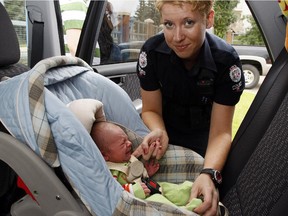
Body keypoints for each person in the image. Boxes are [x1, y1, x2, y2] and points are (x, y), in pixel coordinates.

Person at [136, 0, 245, 215]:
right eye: (168, 24)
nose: (177, 37)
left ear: (209, 19)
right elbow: (150, 110)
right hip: (164, 143)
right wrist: (159, 130)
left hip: (206, 147)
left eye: (188, 22)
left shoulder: (226, 62)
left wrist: (209, 173)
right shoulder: (151, 53)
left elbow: (221, 133)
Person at [90, 121, 203, 211]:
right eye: (122, 143)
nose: (129, 143)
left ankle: (190, 193)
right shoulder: (111, 172)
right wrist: (134, 190)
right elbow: (115, 192)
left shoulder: (128, 158)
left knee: (171, 189)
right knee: (158, 200)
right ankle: (184, 211)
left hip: (151, 186)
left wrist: (146, 173)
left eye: (127, 139)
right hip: (142, 200)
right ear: (105, 155)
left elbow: (135, 172)